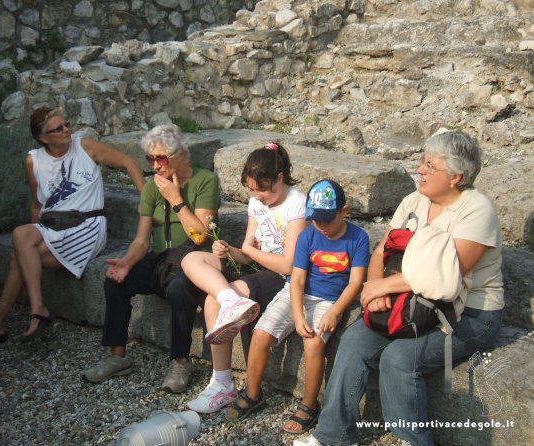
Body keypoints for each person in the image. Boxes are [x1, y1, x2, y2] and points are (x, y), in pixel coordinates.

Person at [294, 131, 504, 446]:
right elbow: (381, 251)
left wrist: (380, 288)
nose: (420, 169)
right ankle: (332, 434)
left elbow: (446, 274)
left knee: (399, 358)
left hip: (469, 312)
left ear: (455, 176)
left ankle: (413, 440)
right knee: (353, 341)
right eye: (422, 161)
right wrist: (376, 288)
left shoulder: (476, 210)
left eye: (430, 165)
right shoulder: (413, 201)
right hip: (409, 303)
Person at [0, 106, 145, 350]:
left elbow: (128, 163)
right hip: (51, 227)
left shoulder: (84, 146)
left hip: (87, 226)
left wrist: (147, 200)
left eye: (66, 124)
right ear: (43, 138)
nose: (66, 130)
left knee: (20, 258)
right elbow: (36, 204)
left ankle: (4, 321)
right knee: (21, 236)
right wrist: (35, 237)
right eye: (57, 129)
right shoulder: (33, 160)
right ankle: (32, 312)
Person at [225, 179, 370, 433]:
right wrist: (297, 313)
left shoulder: (358, 238)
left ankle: (309, 403)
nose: (321, 226)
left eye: (327, 219)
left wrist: (336, 312)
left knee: (313, 343)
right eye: (316, 219)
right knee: (260, 334)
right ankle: (253, 392)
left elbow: (356, 282)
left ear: (344, 211)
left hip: (329, 300)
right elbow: (297, 278)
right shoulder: (308, 235)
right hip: (297, 293)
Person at [82, 124, 220, 383]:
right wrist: (126, 262)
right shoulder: (151, 188)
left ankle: (180, 362)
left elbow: (201, 235)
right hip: (160, 261)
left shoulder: (205, 181)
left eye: (161, 158)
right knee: (115, 280)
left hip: (194, 262)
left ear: (180, 155)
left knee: (180, 289)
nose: (155, 165)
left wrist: (176, 199)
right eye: (150, 158)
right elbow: (141, 240)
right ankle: (117, 355)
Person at [180, 142, 309, 413]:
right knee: (192, 259)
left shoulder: (297, 204)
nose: (257, 195)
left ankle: (222, 382)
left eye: (262, 189)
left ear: (279, 178)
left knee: (212, 299)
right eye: (252, 189)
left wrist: (248, 250)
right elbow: (246, 254)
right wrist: (228, 250)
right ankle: (231, 299)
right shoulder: (256, 203)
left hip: (280, 277)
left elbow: (288, 264)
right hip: (255, 267)